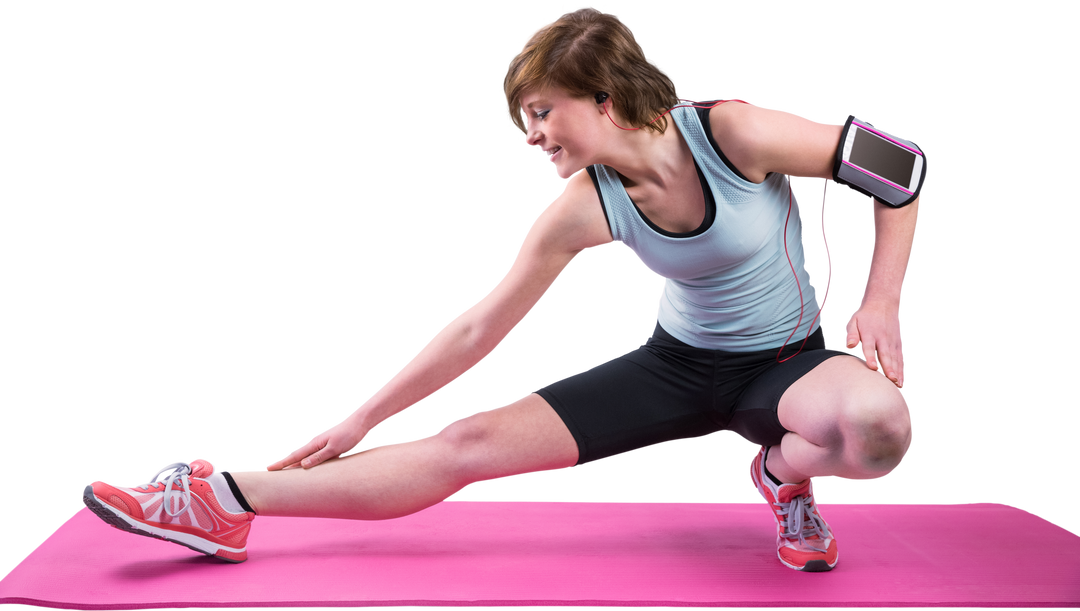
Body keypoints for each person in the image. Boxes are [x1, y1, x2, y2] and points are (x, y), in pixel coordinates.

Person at [81, 2, 920, 572]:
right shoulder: (582, 208)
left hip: (788, 363)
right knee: (465, 447)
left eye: (543, 112)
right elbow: (481, 327)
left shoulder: (732, 132)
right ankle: (223, 496)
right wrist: (362, 418)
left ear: (605, 96)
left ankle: (781, 474)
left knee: (879, 430)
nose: (530, 134)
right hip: (677, 365)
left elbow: (901, 165)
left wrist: (880, 300)